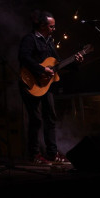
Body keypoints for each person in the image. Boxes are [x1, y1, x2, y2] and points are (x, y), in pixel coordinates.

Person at [18, 9, 83, 165]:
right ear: (42, 26)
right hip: (30, 83)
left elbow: (57, 64)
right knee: (35, 120)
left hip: (46, 86)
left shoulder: (50, 42)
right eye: (51, 26)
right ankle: (34, 154)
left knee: (50, 118)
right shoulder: (30, 39)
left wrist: (75, 62)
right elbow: (23, 57)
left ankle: (52, 154)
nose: (54, 29)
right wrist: (41, 69)